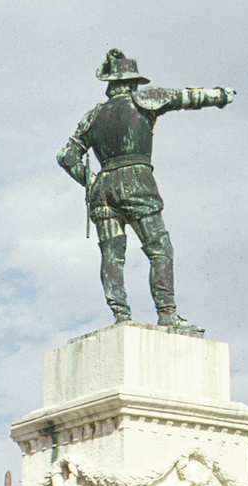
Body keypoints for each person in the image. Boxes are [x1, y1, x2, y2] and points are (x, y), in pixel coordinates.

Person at [57, 49, 234, 335]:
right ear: (132, 82)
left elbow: (66, 157)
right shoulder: (144, 99)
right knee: (159, 248)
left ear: (110, 83)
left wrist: (91, 180)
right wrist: (220, 96)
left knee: (112, 255)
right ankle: (167, 314)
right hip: (136, 183)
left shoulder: (92, 116)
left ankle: (120, 315)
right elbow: (184, 98)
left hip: (102, 191)